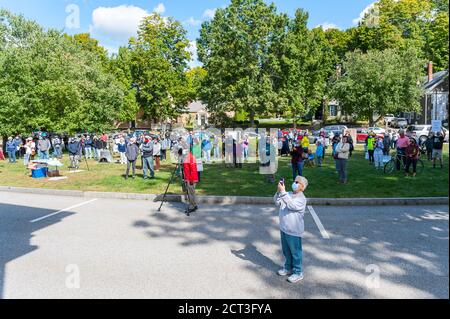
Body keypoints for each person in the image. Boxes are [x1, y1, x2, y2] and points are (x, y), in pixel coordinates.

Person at [273, 175, 308, 284]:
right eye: (294, 181)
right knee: (286, 250)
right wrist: (279, 192)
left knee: (295, 252)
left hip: (294, 231)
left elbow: (291, 205)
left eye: (298, 182)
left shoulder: (301, 199)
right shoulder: (287, 194)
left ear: (302, 187)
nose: (295, 183)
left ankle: (298, 272)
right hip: (284, 228)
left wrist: (283, 192)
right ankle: (288, 267)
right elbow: (276, 202)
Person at [182, 150, 199, 214]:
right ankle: (194, 205)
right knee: (191, 192)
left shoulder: (191, 158)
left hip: (191, 178)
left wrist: (191, 180)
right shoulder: (185, 157)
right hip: (188, 177)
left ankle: (192, 206)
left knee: (191, 193)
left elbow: (193, 170)